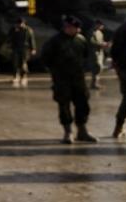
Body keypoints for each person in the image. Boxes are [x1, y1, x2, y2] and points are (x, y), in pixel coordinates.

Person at [40, 15, 98, 143]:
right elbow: (45, 58)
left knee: (82, 104)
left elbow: (86, 55)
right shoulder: (55, 41)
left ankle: (82, 131)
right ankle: (68, 132)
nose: (74, 30)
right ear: (65, 27)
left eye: (76, 28)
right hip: (61, 79)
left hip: (78, 78)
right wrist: (55, 71)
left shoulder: (81, 40)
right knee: (64, 105)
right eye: (71, 27)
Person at [109, 5, 126, 142]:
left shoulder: (121, 28)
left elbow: (113, 49)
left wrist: (118, 64)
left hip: (123, 70)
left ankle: (118, 128)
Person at [7, 17, 36, 88]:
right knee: (15, 63)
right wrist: (9, 46)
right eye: (18, 23)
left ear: (24, 23)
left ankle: (23, 77)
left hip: (25, 49)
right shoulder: (13, 29)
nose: (20, 25)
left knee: (23, 63)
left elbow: (31, 39)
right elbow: (9, 38)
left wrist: (33, 48)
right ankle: (15, 76)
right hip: (15, 48)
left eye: (21, 23)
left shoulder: (28, 30)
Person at [87, 19, 108, 90]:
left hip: (99, 51)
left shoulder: (98, 32)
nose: (103, 26)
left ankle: (95, 83)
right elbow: (92, 42)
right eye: (102, 25)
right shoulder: (92, 32)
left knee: (99, 67)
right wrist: (102, 44)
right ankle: (94, 84)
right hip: (95, 52)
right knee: (97, 67)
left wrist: (103, 43)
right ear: (98, 25)